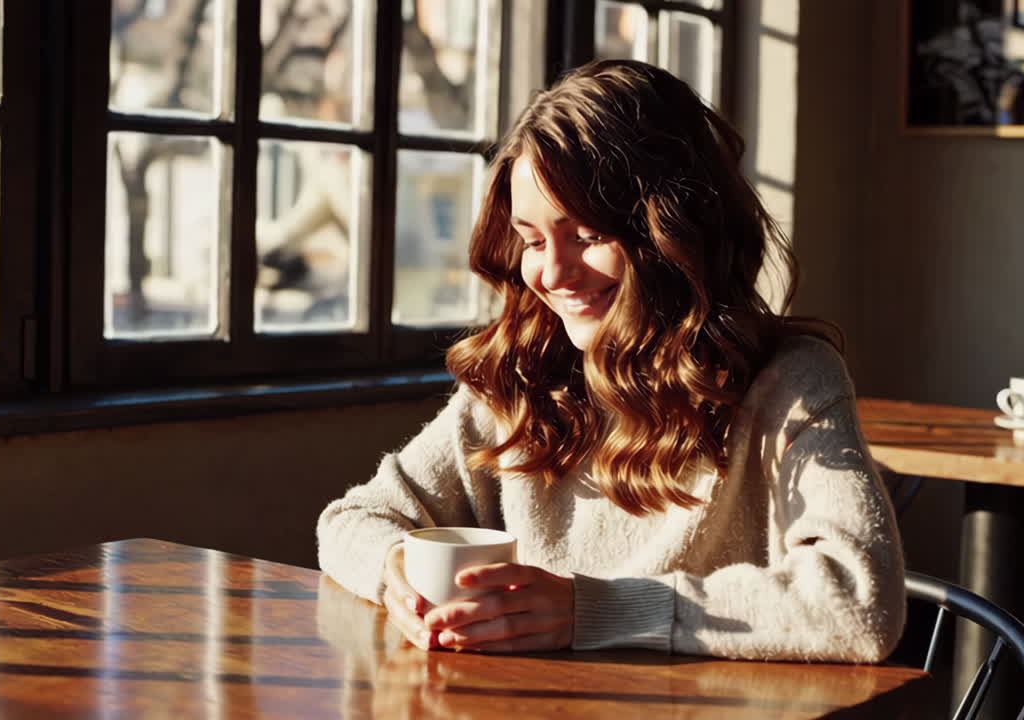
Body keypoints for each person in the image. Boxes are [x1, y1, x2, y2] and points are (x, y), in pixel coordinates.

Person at [317, 59, 905, 662]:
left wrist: (590, 610)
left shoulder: (792, 381)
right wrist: (398, 571)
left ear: (674, 233)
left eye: (589, 236)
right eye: (533, 239)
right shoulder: (525, 374)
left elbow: (858, 604)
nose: (551, 273)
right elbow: (353, 518)